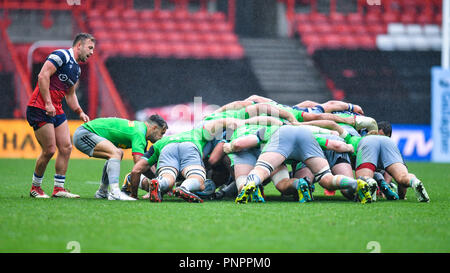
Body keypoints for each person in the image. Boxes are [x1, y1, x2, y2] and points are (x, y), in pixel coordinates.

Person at [26, 33, 95, 198]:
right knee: (49, 150)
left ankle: (59, 189)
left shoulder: (76, 69)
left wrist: (79, 111)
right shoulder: (61, 55)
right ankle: (35, 188)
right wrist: (48, 103)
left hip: (56, 109)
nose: (92, 52)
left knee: (66, 147)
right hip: (40, 107)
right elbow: (42, 76)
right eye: (90, 48)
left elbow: (70, 95)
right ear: (79, 45)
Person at [235, 125, 373, 204]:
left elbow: (241, 143)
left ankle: (250, 184)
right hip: (306, 136)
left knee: (262, 169)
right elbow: (334, 145)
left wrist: (229, 147)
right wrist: (350, 148)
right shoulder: (306, 130)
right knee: (326, 178)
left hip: (283, 136)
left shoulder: (265, 130)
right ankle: (355, 184)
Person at [128, 118, 244, 203]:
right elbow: (221, 122)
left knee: (168, 177)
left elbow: (136, 170)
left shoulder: (160, 142)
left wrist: (134, 195)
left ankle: (159, 183)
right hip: (189, 145)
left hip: (166, 148)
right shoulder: (197, 133)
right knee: (197, 178)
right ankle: (185, 188)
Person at [72, 115, 167, 200]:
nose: (161, 137)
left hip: (85, 132)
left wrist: (158, 181)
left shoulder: (140, 130)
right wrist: (136, 194)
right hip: (85, 134)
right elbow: (139, 166)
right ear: (154, 128)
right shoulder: (139, 133)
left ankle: (102, 192)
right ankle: (115, 192)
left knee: (117, 153)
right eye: (161, 133)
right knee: (116, 153)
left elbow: (145, 164)